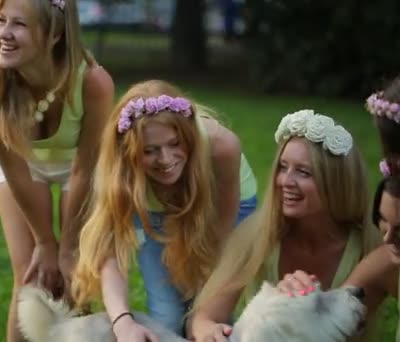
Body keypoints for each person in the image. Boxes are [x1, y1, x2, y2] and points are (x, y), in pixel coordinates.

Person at [0, 0, 114, 340]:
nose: (3, 33)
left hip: (80, 169)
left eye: (19, 25)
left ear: (55, 34)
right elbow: (13, 168)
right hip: (21, 168)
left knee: (74, 279)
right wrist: (45, 242)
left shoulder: (92, 82)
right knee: (30, 279)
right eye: (1, 20)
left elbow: (86, 171)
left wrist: (67, 247)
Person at [71, 80, 258, 340]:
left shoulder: (221, 146)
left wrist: (201, 313)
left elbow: (219, 242)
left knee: (212, 318)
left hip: (222, 209)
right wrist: (122, 322)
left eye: (174, 143)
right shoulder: (120, 168)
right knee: (167, 317)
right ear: (131, 151)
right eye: (150, 151)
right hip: (155, 211)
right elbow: (108, 249)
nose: (166, 159)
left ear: (188, 135)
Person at [190, 109, 380, 341]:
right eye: (282, 167)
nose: (285, 181)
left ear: (336, 182)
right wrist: (209, 332)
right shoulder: (257, 235)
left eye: (303, 172)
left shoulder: (369, 247)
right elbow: (202, 318)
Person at [277, 78, 400, 341]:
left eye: (303, 172)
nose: (387, 241)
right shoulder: (386, 259)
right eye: (385, 225)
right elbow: (329, 328)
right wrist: (292, 307)